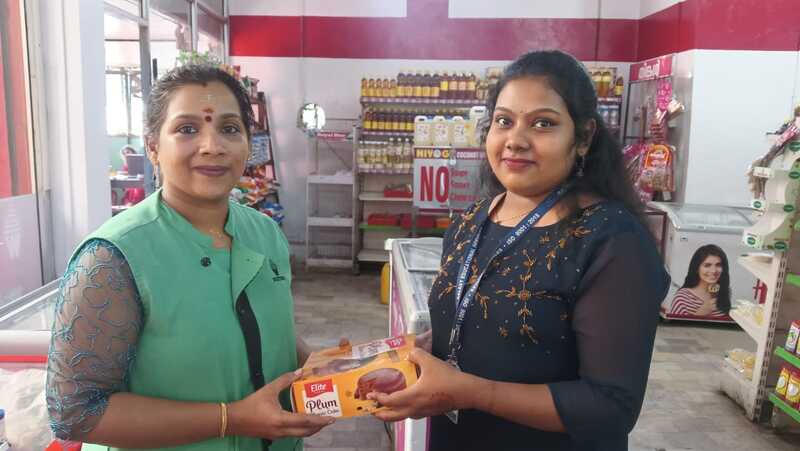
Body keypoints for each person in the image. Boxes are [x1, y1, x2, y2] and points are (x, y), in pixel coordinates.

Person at [367, 50, 670, 450]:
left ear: (583, 138)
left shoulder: (612, 241)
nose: (515, 140)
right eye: (504, 121)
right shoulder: (471, 220)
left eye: (543, 123)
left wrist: (470, 392)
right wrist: (425, 349)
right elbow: (489, 324)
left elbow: (611, 407)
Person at [46, 65, 334, 451]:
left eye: (229, 128)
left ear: (249, 144)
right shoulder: (111, 259)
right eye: (186, 129)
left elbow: (265, 325)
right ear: (153, 147)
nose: (212, 146)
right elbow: (75, 412)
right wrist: (233, 418)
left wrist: (317, 363)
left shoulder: (265, 232)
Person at [670, 244, 731, 319]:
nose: (714, 271)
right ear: (696, 268)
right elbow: (675, 325)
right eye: (707, 265)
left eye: (718, 265)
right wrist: (700, 313)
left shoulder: (723, 292)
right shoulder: (682, 297)